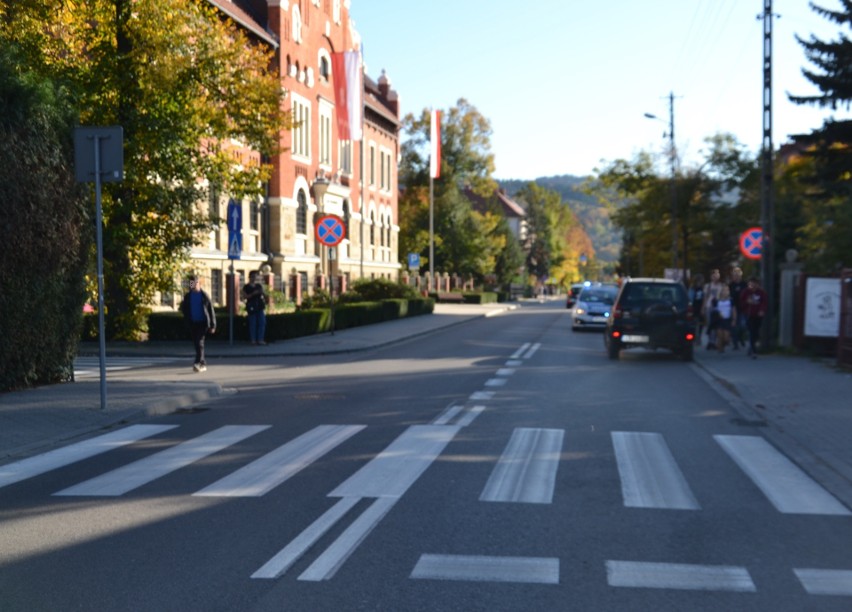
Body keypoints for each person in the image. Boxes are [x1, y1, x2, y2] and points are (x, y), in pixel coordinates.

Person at [180, 274, 216, 372]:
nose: (193, 285)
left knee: (199, 342)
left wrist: (213, 325)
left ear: (199, 283)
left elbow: (210, 310)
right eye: (191, 284)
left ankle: (198, 363)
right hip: (192, 322)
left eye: (195, 283)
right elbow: (184, 308)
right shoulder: (188, 296)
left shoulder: (204, 296)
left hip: (202, 322)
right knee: (196, 343)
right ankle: (202, 363)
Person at [738, 276, 768, 359]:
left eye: (754, 284)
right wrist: (747, 302)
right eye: (751, 284)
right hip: (748, 314)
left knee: (756, 332)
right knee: (751, 331)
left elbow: (764, 303)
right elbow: (741, 303)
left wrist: (762, 310)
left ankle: (752, 346)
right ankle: (754, 351)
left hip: (758, 315)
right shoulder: (745, 292)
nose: (753, 285)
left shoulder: (761, 293)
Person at [702, 269, 725, 349]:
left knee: (717, 325)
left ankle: (715, 341)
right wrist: (703, 308)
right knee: (710, 325)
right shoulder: (707, 286)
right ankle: (710, 341)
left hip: (719, 307)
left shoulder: (722, 286)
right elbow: (705, 297)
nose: (715, 277)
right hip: (709, 307)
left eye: (716, 275)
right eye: (713, 275)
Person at [243, 271, 267, 345]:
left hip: (259, 306)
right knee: (253, 324)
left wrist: (262, 293)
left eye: (255, 276)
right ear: (249, 277)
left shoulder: (258, 286)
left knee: (262, 322)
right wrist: (253, 294)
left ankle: (260, 339)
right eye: (252, 276)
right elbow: (245, 296)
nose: (254, 278)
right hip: (251, 307)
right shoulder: (246, 287)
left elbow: (264, 295)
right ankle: (253, 340)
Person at [728, 266, 747, 350]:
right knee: (734, 326)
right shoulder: (731, 285)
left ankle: (741, 338)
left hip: (743, 307)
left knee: (743, 325)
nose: (736, 276)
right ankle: (735, 343)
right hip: (733, 308)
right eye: (734, 274)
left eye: (737, 274)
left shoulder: (745, 284)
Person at [714, 285, 736, 353]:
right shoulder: (717, 300)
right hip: (719, 320)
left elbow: (734, 310)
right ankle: (720, 348)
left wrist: (734, 320)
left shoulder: (731, 300)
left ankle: (722, 345)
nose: (725, 292)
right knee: (720, 336)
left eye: (727, 290)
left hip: (727, 319)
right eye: (724, 290)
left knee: (726, 338)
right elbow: (714, 309)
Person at [689, 274, 705, 344]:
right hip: (694, 307)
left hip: (700, 307)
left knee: (701, 323)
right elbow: (690, 299)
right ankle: (695, 337)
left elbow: (704, 298)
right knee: (694, 323)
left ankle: (699, 337)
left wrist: (703, 308)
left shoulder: (703, 288)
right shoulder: (692, 288)